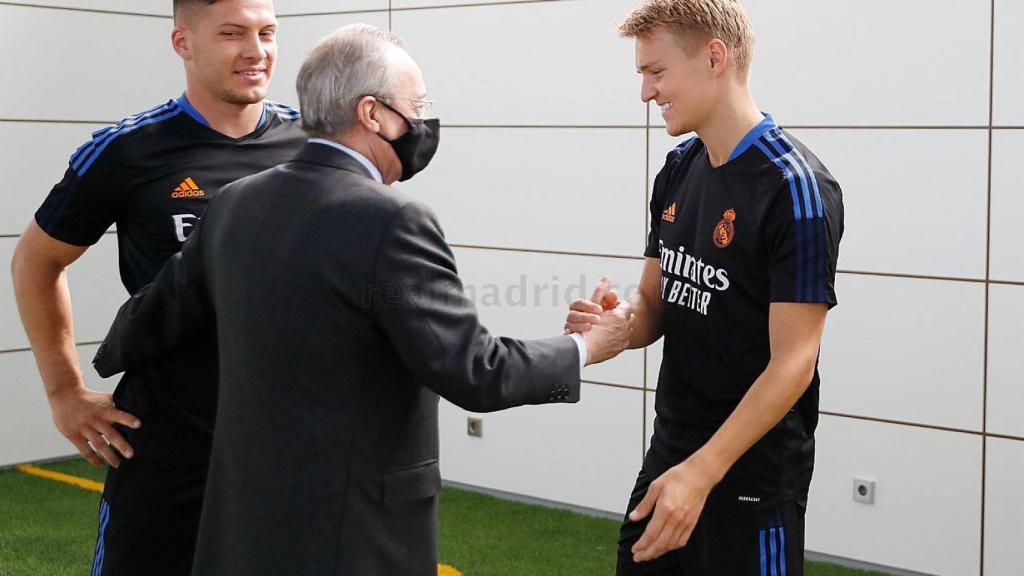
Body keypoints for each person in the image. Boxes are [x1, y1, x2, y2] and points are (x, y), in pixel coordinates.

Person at [91, 23, 634, 575]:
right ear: (373, 114)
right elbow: (476, 369)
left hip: (242, 528)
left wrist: (86, 383)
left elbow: (151, 316)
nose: (425, 120)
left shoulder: (235, 203)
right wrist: (586, 345)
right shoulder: (394, 220)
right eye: (417, 104)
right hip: (352, 540)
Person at [10, 1, 305, 574]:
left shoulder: (314, 144)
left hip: (285, 440)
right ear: (183, 44)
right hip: (166, 440)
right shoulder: (128, 150)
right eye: (232, 34)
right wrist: (64, 390)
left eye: (267, 33)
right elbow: (35, 262)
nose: (256, 51)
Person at [565, 1, 844, 573]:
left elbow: (794, 362)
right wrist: (618, 323)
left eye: (656, 72)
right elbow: (653, 305)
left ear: (715, 58)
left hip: (750, 481)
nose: (646, 93)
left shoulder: (797, 189)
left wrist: (703, 472)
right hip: (671, 455)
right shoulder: (677, 169)